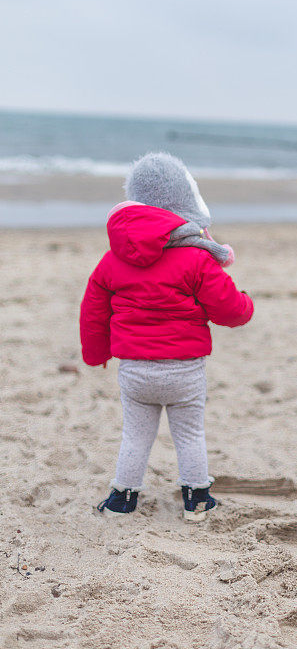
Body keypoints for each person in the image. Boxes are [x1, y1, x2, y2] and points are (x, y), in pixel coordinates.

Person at [79, 152, 253, 520]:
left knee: (136, 436)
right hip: (184, 372)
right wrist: (246, 305)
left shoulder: (113, 259)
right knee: (189, 435)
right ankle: (198, 501)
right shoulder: (197, 257)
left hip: (135, 371)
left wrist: (96, 354)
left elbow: (93, 310)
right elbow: (229, 310)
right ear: (184, 203)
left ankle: (120, 501)